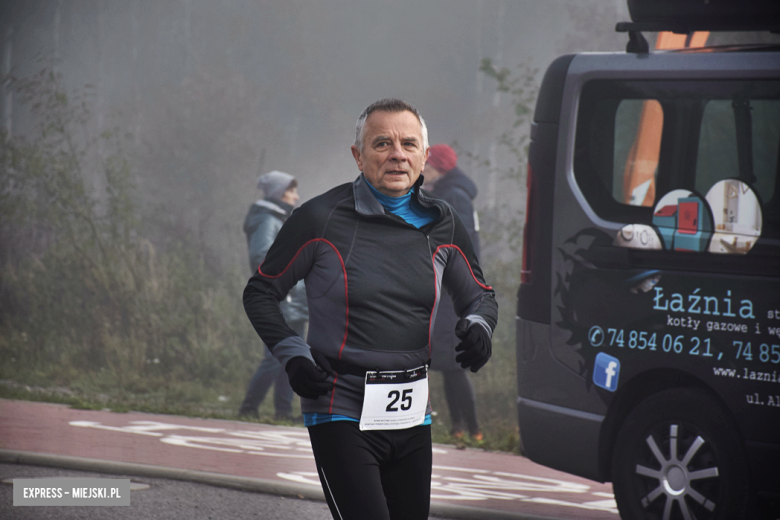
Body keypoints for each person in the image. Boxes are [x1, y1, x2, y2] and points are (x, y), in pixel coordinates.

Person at [243, 98, 497, 520]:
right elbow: (261, 293)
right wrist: (292, 353)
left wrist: (479, 327)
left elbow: (480, 296)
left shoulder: (443, 222)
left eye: (409, 144)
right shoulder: (319, 218)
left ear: (424, 157)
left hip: (412, 417)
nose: (397, 153)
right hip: (340, 408)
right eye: (382, 143)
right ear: (358, 157)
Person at [422, 144, 484, 442]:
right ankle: (459, 427)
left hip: (453, 291)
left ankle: (474, 429)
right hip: (448, 289)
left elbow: (458, 245)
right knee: (446, 363)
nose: (422, 169)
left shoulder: (454, 196)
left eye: (427, 165)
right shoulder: (445, 192)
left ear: (439, 168)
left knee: (453, 362)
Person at [238, 170, 308, 421]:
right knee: (275, 357)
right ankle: (249, 407)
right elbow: (261, 256)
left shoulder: (278, 218)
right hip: (282, 297)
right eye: (291, 192)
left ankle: (283, 411)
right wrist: (290, 274)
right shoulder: (268, 220)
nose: (296, 196)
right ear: (279, 194)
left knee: (293, 356)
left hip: (293, 298)